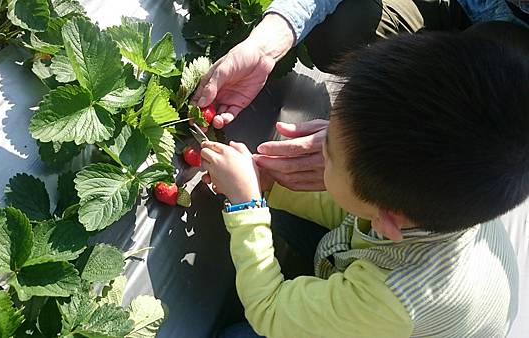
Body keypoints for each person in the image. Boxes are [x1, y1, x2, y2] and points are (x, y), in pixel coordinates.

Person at [200, 32, 528, 337]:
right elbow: (352, 203)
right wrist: (272, 186)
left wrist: (247, 207)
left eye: (327, 156)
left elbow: (269, 312)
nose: (320, 150)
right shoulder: (442, 194)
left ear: (385, 220)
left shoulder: (391, 299)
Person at [192, 0, 529, 192]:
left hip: (512, 54)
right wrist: (265, 45)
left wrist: (365, 151)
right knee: (342, 31)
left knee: (497, 51)